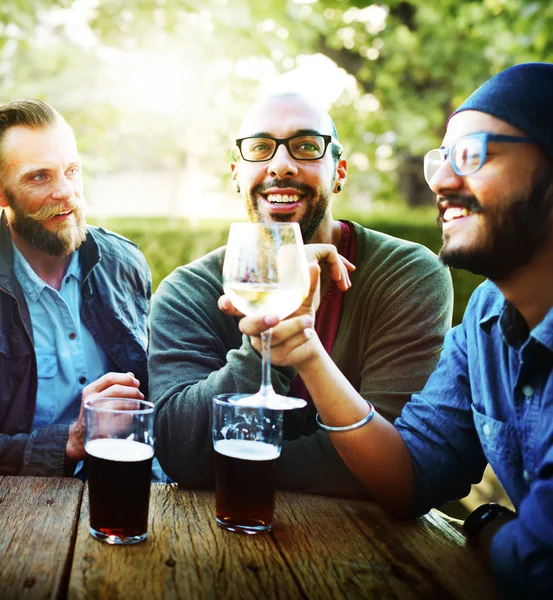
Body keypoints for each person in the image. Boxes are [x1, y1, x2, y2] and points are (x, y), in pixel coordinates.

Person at [233, 64, 553, 596]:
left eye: (473, 156)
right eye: (442, 160)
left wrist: (488, 527)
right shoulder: (486, 320)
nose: (444, 182)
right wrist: (308, 352)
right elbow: (409, 478)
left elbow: (539, 563)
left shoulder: (416, 279)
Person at [149, 91, 453, 497]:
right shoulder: (187, 292)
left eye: (306, 147)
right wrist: (261, 351)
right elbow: (178, 449)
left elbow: (397, 457)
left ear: (339, 171)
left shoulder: (407, 275)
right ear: (236, 173)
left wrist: (228, 461)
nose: (281, 165)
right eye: (260, 149)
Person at [0, 99, 151, 477]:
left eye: (72, 171)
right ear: (3, 195)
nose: (66, 192)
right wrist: (69, 440)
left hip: (123, 484)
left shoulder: (125, 263)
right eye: (40, 177)